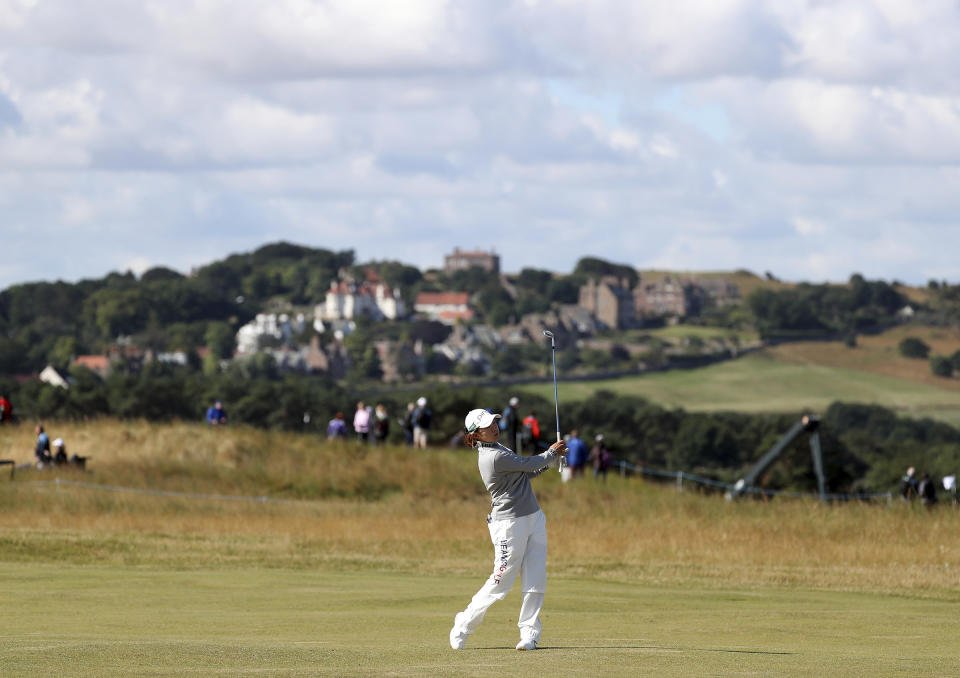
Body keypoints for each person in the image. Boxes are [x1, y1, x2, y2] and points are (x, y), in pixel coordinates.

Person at [449, 408, 567, 652]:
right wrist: (550, 453)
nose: (493, 427)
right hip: (509, 524)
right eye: (487, 426)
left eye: (494, 422)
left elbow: (526, 473)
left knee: (535, 577)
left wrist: (551, 460)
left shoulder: (501, 449)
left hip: (533, 517)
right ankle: (464, 624)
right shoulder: (491, 457)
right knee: (501, 579)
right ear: (476, 434)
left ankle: (529, 634)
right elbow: (528, 463)